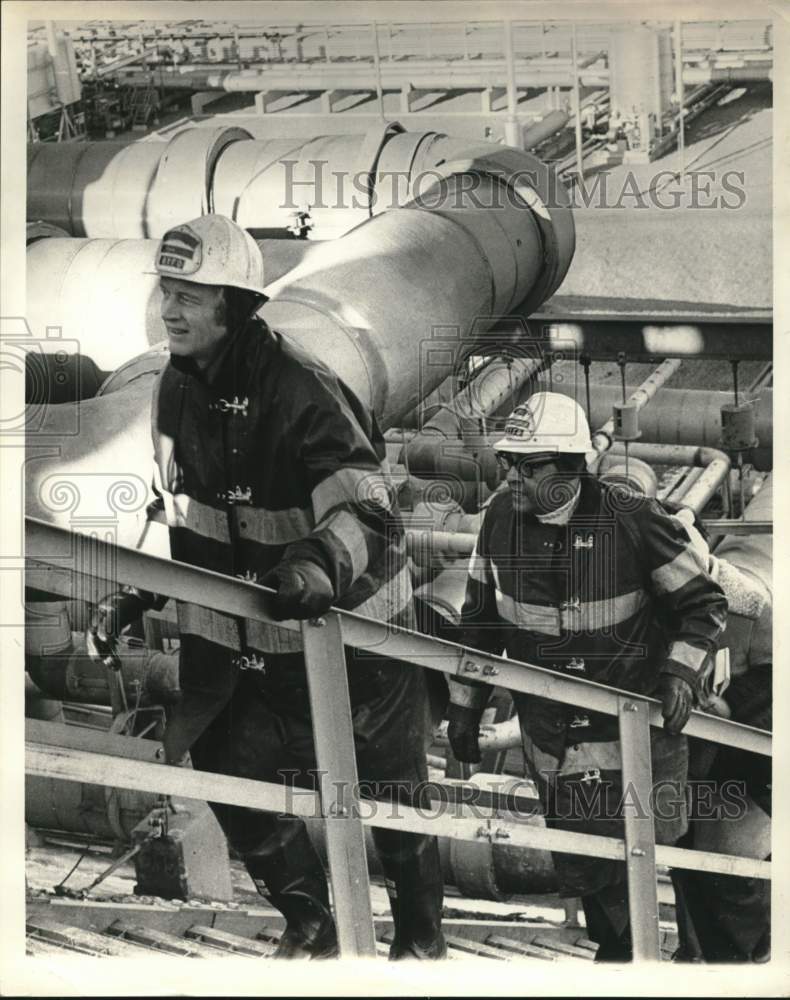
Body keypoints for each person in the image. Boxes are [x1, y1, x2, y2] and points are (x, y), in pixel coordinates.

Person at [87, 214, 446, 960]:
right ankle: (315, 921)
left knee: (392, 802)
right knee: (225, 768)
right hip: (239, 641)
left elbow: (368, 512)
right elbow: (173, 509)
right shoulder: (175, 392)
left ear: (237, 303)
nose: (171, 309)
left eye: (191, 294)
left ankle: (421, 945)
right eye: (167, 292)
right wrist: (134, 591)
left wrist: (317, 564)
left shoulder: (303, 391)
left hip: (355, 644)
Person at [444, 392, 728, 962]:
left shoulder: (632, 519)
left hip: (636, 728)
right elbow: (477, 621)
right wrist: (464, 708)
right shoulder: (500, 520)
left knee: (655, 847)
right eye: (508, 464)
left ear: (574, 467)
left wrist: (679, 673)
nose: (513, 479)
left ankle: (688, 960)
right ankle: (620, 954)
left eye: (529, 467)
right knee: (583, 859)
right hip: (552, 734)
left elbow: (704, 603)